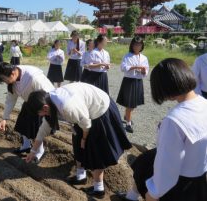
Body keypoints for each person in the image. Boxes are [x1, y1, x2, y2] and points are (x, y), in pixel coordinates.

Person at [117, 58, 207, 201]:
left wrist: (153, 192)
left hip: (179, 185)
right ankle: (131, 196)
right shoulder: (203, 103)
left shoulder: (174, 121)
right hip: (200, 178)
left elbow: (167, 168)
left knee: (145, 168)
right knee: (145, 160)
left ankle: (132, 196)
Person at [25, 83, 132, 199]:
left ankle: (98, 189)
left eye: (38, 113)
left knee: (96, 149)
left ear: (45, 108)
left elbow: (86, 124)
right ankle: (81, 176)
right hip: (83, 113)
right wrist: (33, 151)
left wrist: (84, 139)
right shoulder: (50, 101)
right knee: (77, 143)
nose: (39, 116)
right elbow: (44, 129)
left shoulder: (67, 106)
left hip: (99, 110)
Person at [0, 62, 54, 163]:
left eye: (4, 80)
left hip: (40, 106)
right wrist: (5, 118)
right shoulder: (12, 81)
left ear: (12, 73)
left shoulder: (33, 77)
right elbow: (10, 99)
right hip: (28, 103)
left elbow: (49, 93)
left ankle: (39, 151)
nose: (6, 82)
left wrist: (49, 111)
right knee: (23, 124)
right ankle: (26, 146)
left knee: (36, 129)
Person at [116, 36, 149, 133]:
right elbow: (123, 68)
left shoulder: (144, 57)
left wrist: (143, 70)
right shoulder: (127, 56)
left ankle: (127, 116)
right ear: (132, 45)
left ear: (142, 46)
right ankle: (128, 123)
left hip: (138, 81)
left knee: (133, 103)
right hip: (129, 81)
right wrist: (135, 67)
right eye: (135, 45)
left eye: (139, 45)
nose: (137, 47)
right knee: (129, 103)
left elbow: (146, 70)